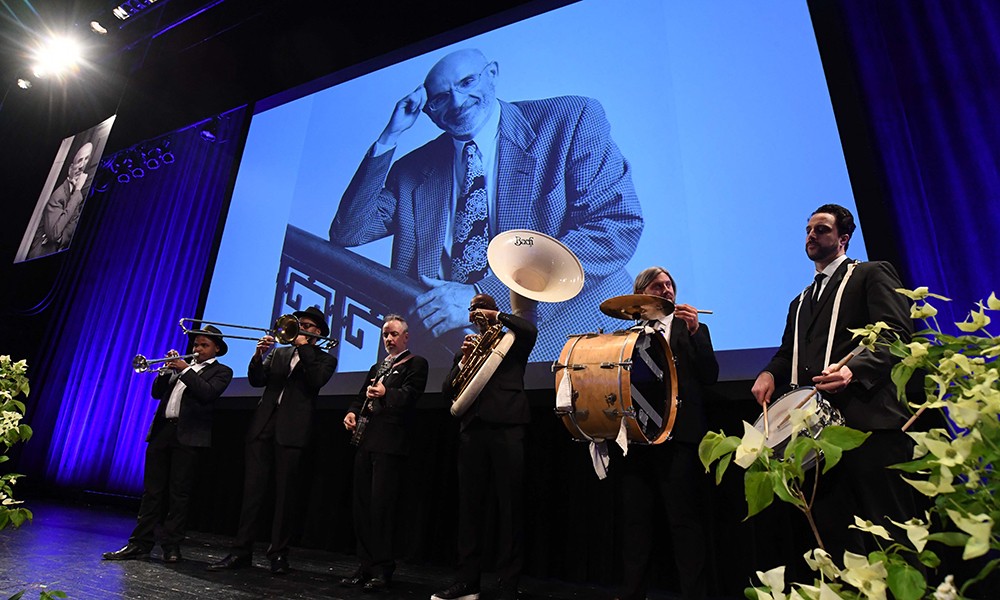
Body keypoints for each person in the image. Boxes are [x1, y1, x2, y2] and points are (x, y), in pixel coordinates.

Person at [329, 48, 643, 362]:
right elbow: (349, 232)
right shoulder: (412, 170)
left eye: (467, 81)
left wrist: (486, 298)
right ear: (429, 111)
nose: (457, 102)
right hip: (452, 359)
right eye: (440, 97)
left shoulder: (571, 119)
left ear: (492, 74)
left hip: (573, 343)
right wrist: (390, 136)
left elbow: (615, 228)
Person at [750, 203, 916, 559]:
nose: (812, 235)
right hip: (817, 440)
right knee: (838, 540)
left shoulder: (870, 274)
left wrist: (852, 370)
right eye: (808, 229)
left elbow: (896, 336)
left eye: (821, 229)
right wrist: (768, 372)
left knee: (889, 535)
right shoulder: (800, 301)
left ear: (843, 239)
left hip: (867, 425)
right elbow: (786, 353)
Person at [613, 267, 719, 600]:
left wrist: (696, 330)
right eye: (658, 286)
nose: (667, 290)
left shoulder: (692, 329)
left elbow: (710, 375)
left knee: (684, 524)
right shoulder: (627, 337)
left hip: (679, 439)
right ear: (641, 294)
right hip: (637, 438)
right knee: (636, 526)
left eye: (670, 285)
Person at [207, 305, 337, 574]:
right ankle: (240, 552)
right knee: (252, 494)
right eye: (299, 323)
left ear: (318, 333)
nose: (302, 327)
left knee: (285, 498)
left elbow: (315, 381)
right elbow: (257, 381)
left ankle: (278, 554)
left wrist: (304, 348)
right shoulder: (279, 352)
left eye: (309, 326)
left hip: (293, 432)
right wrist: (258, 355)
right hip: (262, 427)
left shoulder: (324, 359)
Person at [432, 293, 537, 600]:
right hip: (472, 431)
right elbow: (446, 390)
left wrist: (498, 315)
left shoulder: (513, 340)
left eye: (480, 309)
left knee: (510, 508)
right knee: (469, 510)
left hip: (507, 428)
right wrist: (463, 360)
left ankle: (508, 583)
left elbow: (529, 329)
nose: (475, 313)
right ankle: (467, 582)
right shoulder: (467, 347)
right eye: (472, 309)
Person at [102, 326, 233, 563]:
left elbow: (207, 393)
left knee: (178, 494)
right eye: (196, 345)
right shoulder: (182, 368)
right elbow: (156, 393)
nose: (197, 349)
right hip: (163, 432)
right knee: (152, 492)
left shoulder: (222, 371)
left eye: (204, 345)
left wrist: (184, 371)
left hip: (189, 437)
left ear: (216, 349)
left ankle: (171, 546)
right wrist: (164, 372)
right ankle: (139, 543)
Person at [341, 314, 429, 591]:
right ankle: (365, 565)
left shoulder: (416, 363)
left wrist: (386, 392)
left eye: (393, 334)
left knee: (382, 508)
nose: (389, 339)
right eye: (385, 335)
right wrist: (352, 412)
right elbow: (360, 396)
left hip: (391, 444)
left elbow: (411, 395)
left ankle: (383, 567)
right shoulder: (377, 366)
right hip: (366, 440)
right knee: (362, 507)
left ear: (406, 336)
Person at [28, 141, 94, 259]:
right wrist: (78, 189)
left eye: (86, 160)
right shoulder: (59, 195)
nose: (82, 165)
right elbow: (54, 234)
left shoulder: (74, 196)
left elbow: (73, 225)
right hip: (40, 255)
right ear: (70, 169)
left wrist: (61, 238)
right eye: (79, 160)